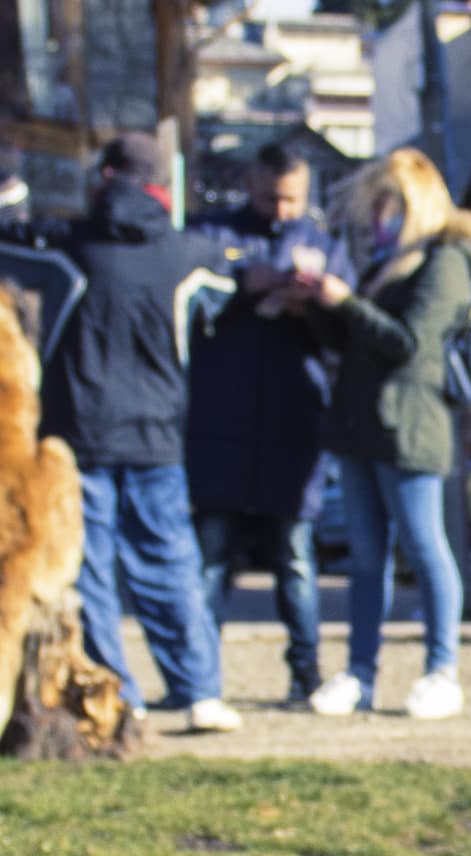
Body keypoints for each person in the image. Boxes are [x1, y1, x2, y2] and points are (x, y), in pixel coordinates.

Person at [39, 133, 240, 732]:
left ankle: (119, 695)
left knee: (93, 570)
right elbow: (227, 292)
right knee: (171, 561)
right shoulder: (188, 255)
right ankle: (200, 690)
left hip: (79, 433)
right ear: (161, 186)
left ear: (103, 177)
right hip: (157, 434)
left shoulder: (67, 248)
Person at [298, 148, 471, 719]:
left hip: (411, 428)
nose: (381, 213)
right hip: (361, 426)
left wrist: (346, 300)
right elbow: (354, 341)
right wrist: (314, 304)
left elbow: (408, 343)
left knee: (426, 547)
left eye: (390, 201)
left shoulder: (446, 262)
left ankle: (441, 670)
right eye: (377, 202)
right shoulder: (389, 261)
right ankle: (360, 673)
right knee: (365, 558)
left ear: (418, 203)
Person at [187, 143, 349, 707]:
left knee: (297, 559)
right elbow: (185, 305)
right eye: (269, 197)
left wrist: (320, 306)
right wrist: (240, 284)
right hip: (220, 424)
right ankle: (197, 680)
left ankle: (306, 675)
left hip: (292, 426)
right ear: (249, 185)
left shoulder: (326, 245)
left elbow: (346, 335)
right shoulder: (210, 235)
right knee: (210, 557)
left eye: (292, 200)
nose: (280, 211)